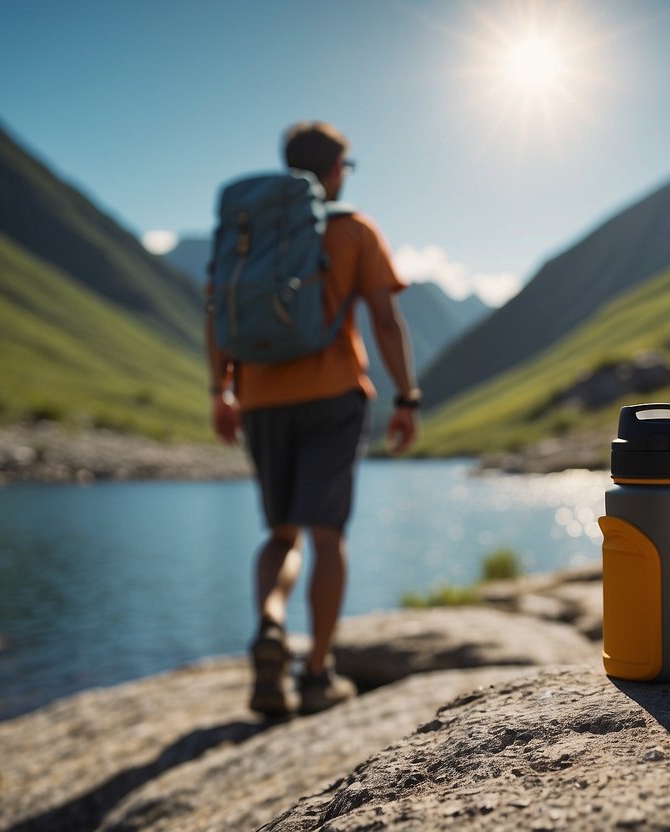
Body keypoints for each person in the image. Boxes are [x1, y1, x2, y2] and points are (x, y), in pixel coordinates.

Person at [205, 121, 421, 717]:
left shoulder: (245, 235)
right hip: (333, 398)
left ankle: (270, 625)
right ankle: (318, 673)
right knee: (327, 536)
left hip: (260, 398)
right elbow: (383, 318)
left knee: (281, 534)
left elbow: (216, 312)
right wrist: (406, 397)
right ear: (333, 172)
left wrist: (219, 391)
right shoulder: (353, 230)